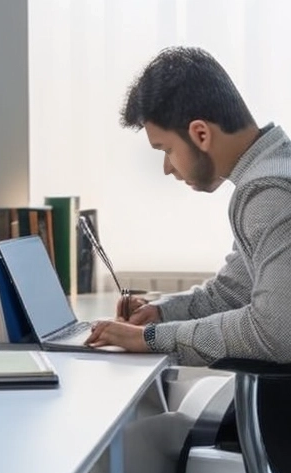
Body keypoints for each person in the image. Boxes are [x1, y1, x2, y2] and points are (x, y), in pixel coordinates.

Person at [85, 46, 291, 367]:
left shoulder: (269, 193)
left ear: (200, 133)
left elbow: (275, 334)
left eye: (166, 149)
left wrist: (149, 339)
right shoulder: (270, 173)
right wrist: (160, 312)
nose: (167, 168)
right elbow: (233, 293)